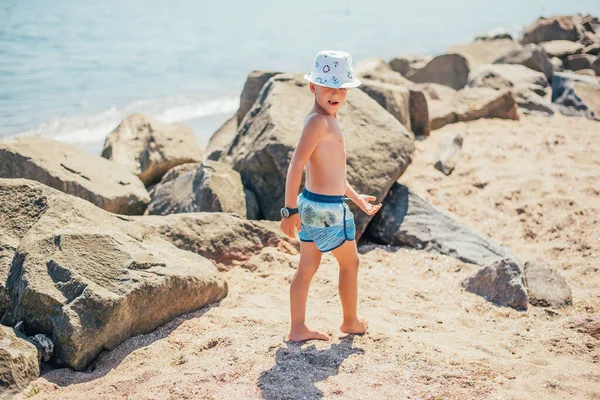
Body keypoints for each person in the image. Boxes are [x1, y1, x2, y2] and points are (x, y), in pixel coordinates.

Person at [279, 50, 382, 342]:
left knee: (308, 267)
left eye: (341, 88)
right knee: (350, 263)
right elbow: (296, 164)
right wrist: (288, 211)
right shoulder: (319, 122)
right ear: (313, 87)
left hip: (317, 204)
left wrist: (357, 200)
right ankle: (350, 321)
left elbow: (336, 175)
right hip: (325, 210)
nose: (335, 94)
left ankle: (297, 327)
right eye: (328, 87)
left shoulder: (325, 119)